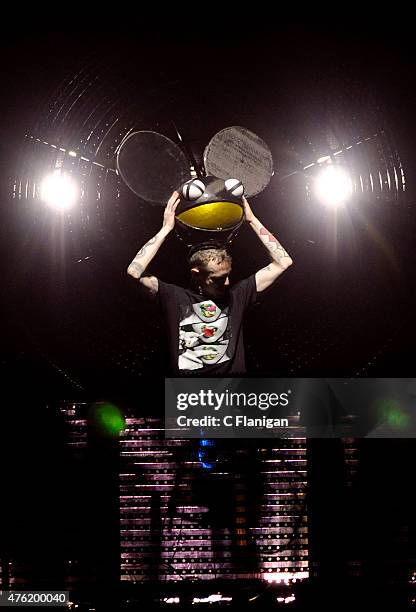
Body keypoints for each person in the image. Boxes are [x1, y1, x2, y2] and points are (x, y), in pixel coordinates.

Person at [127, 191, 293, 374]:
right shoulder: (175, 298)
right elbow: (134, 272)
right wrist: (165, 229)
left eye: (228, 275)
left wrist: (252, 220)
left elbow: (283, 262)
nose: (228, 282)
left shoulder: (238, 295)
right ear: (196, 274)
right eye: (218, 279)